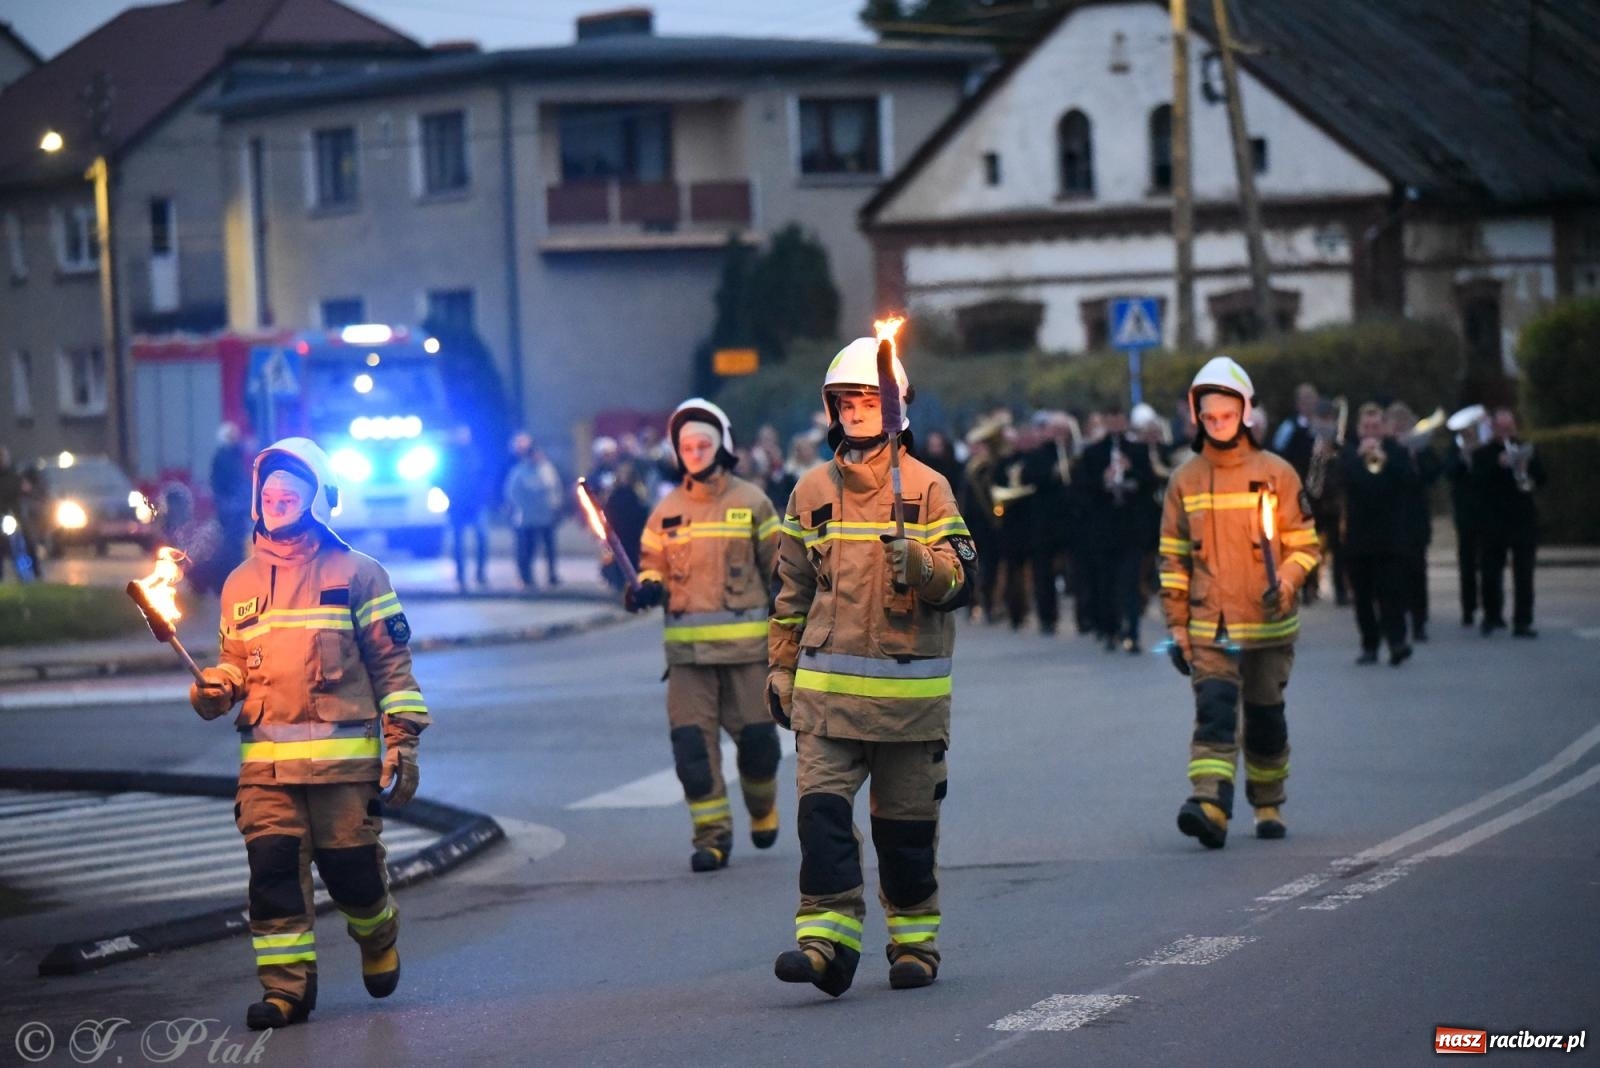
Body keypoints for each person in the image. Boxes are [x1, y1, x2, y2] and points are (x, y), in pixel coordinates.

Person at [187, 437, 428, 1030]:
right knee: (271, 876)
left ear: (317, 500)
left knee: (354, 877)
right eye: (268, 493)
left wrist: (402, 741)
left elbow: (393, 670)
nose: (277, 501)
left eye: (290, 492)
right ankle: (286, 991)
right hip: (266, 772)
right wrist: (214, 687)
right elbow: (234, 664)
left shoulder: (360, 574)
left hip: (344, 773)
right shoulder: (240, 583)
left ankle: (378, 935)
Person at [768, 336, 976, 997]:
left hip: (908, 705)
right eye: (844, 400)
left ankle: (914, 944)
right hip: (825, 702)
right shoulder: (809, 492)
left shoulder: (928, 489)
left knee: (903, 833)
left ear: (895, 406)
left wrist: (925, 565)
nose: (856, 410)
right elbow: (792, 592)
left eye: (868, 397)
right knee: (820, 819)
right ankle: (826, 945)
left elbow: (963, 576)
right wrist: (779, 669)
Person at [1159, 356, 1319, 849]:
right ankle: (1210, 805)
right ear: (1197, 417)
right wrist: (1179, 628)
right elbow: (1173, 560)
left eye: (1226, 416)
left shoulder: (1278, 474)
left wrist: (1288, 583)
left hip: (1269, 625)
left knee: (1266, 717)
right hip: (1213, 628)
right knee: (1214, 712)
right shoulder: (1185, 480)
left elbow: (1306, 546)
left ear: (1245, 412)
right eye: (1208, 418)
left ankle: (1269, 801)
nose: (1218, 424)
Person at [628, 399, 783, 872]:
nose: (695, 452)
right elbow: (650, 567)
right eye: (687, 446)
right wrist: (645, 589)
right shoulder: (665, 512)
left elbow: (780, 568)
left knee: (759, 747)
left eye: (703, 444)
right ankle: (712, 838)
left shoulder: (753, 502)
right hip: (688, 660)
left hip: (747, 655)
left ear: (723, 446)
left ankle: (761, 807)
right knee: (693, 753)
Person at [1340, 403, 1417, 666]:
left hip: (1390, 537)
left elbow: (1409, 481)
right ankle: (1369, 645)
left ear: (1384, 428)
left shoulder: (1396, 451)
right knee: (1362, 597)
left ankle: (1397, 642)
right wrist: (1356, 460)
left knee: (1392, 593)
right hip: (1359, 538)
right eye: (1366, 427)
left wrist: (1386, 458)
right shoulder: (1349, 454)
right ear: (1359, 430)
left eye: (1376, 426)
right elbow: (1340, 483)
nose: (1371, 432)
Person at [1079, 405, 1158, 651]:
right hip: (1104, 529)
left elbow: (1150, 483)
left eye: (1119, 420)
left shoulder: (1137, 450)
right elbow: (1084, 490)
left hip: (1130, 528)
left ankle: (1132, 632)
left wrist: (1130, 469)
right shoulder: (1093, 452)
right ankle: (1110, 629)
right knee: (1107, 582)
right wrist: (1105, 478)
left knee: (1131, 581)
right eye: (1111, 420)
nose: (1115, 425)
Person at [1473, 407, 1546, 638]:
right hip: (1493, 522)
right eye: (1501, 428)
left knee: (1524, 574)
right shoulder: (1483, 453)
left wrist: (1525, 469)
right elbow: (1477, 481)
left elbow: (1542, 478)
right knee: (1491, 574)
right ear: (1493, 429)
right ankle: (1492, 616)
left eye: (1510, 428)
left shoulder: (1526, 449)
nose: (1506, 433)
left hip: (1522, 520)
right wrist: (1499, 464)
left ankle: (1523, 620)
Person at [1386, 402, 1441, 642]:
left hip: (1415, 519)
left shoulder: (1421, 448)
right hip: (1391, 520)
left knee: (1417, 572)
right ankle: (1398, 620)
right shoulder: (1385, 448)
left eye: (1403, 424)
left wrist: (1416, 457)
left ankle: (1420, 622)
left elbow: (1434, 473)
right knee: (1395, 575)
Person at [503, 433, 562, 590]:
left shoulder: (547, 469)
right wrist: (518, 508)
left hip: (546, 515)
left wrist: (556, 506)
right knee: (528, 548)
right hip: (528, 517)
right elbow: (513, 493)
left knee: (549, 548)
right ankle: (526, 576)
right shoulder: (520, 471)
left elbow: (555, 488)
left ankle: (552, 575)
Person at [442, 424, 489, 591]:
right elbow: (443, 478)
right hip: (458, 504)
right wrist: (450, 496)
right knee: (458, 542)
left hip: (475, 504)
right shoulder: (451, 456)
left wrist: (482, 497)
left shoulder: (474, 453)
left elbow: (483, 477)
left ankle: (481, 574)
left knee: (482, 539)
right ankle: (461, 576)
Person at [211, 422, 252, 576]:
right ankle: (231, 574)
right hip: (232, 510)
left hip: (231, 509)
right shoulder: (226, 458)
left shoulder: (226, 457)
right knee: (233, 544)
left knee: (234, 543)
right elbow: (233, 484)